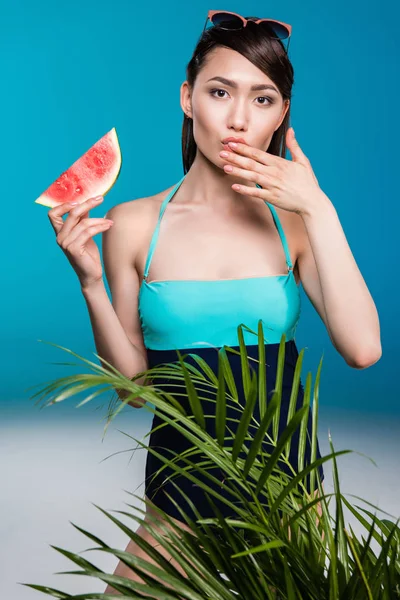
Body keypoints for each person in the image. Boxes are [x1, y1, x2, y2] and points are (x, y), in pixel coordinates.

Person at [48, 10, 382, 596]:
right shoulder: (134, 224)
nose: (237, 118)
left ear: (282, 115)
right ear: (188, 97)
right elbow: (132, 390)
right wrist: (90, 283)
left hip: (288, 506)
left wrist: (319, 207)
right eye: (220, 91)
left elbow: (363, 348)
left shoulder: (296, 225)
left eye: (262, 99)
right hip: (177, 502)